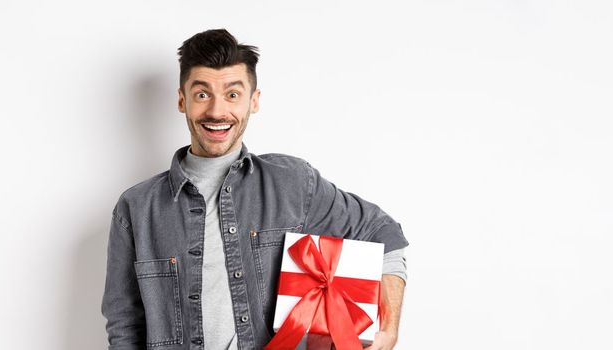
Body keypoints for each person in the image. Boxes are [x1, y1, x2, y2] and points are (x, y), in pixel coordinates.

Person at [102, 28, 409, 350]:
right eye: (202, 94)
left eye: (232, 94)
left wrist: (387, 330)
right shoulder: (137, 208)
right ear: (183, 100)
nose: (217, 111)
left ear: (254, 101)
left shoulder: (293, 183)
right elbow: (125, 326)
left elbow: (383, 232)